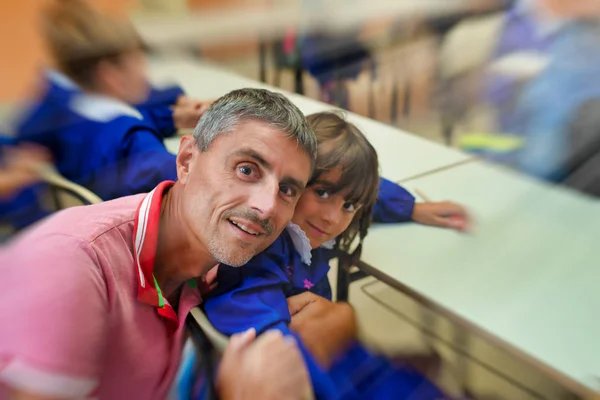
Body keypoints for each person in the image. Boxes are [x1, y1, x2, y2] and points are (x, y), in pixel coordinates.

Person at [0, 88, 338, 399]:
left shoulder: (211, 256)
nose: (266, 206)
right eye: (247, 169)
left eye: (287, 190)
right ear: (187, 160)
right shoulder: (72, 264)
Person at [198, 112, 449, 399]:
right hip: (326, 381)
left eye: (349, 205)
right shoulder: (257, 252)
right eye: (323, 193)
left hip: (344, 361)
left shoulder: (305, 228)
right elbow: (282, 362)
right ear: (289, 183)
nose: (333, 218)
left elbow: (367, 192)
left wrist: (411, 208)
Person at [13, 0, 211, 203]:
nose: (145, 71)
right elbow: (199, 183)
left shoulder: (66, 115)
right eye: (138, 60)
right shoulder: (134, 141)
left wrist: (170, 117)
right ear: (111, 75)